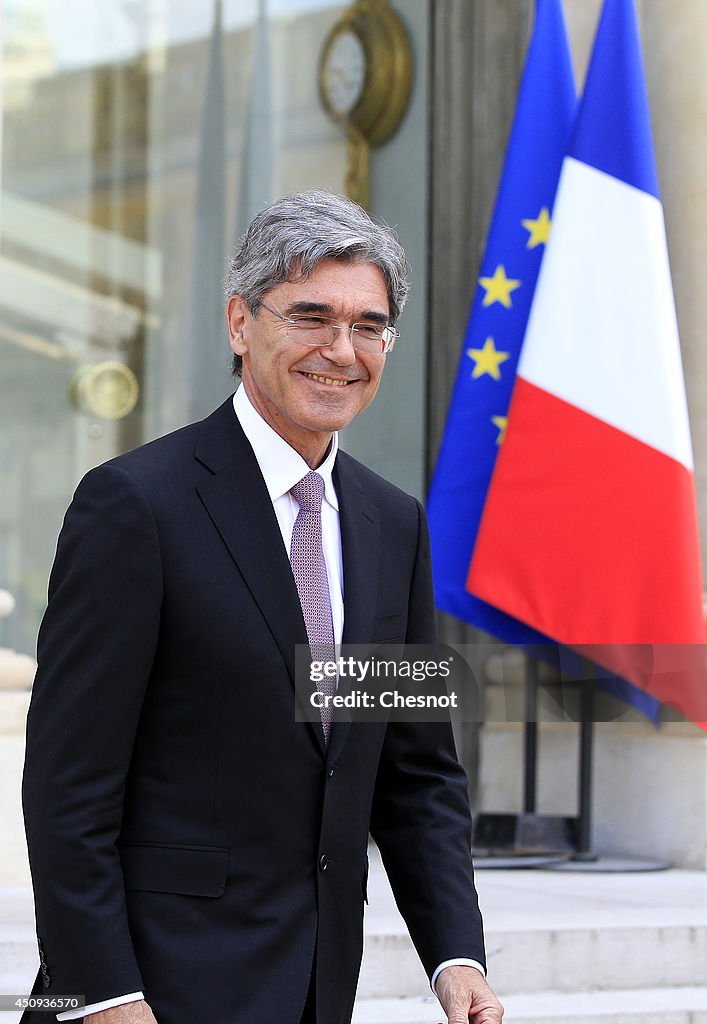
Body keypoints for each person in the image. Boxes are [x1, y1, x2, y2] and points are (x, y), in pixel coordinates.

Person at [22, 190, 503, 1024]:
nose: (340, 351)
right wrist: (103, 996)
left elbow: (417, 776)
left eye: (368, 325)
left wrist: (454, 956)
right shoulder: (133, 506)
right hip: (152, 992)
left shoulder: (394, 523)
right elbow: (66, 788)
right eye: (310, 316)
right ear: (240, 323)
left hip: (316, 988)